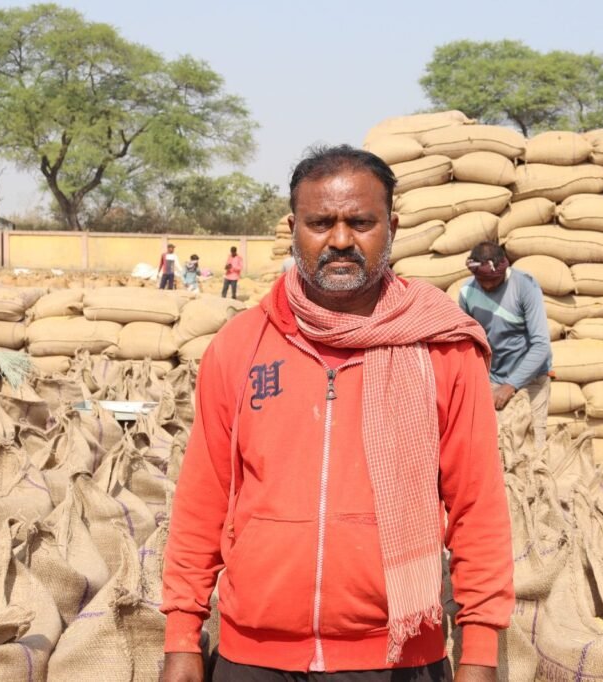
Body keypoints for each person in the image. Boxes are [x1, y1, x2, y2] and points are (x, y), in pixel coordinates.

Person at [161, 145, 513, 682]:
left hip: (397, 658)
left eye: (362, 222)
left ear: (391, 226)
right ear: (293, 226)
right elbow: (202, 498)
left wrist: (481, 651)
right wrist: (183, 635)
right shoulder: (241, 345)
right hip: (254, 656)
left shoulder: (444, 348)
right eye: (321, 222)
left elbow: (477, 507)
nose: (341, 240)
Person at [457, 241, 553, 450]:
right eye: (483, 280)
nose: (489, 286)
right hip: (493, 380)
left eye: (494, 280)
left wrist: (510, 386)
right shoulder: (467, 293)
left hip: (531, 379)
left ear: (504, 268)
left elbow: (541, 345)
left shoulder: (525, 286)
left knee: (532, 449)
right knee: (496, 448)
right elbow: (467, 344)